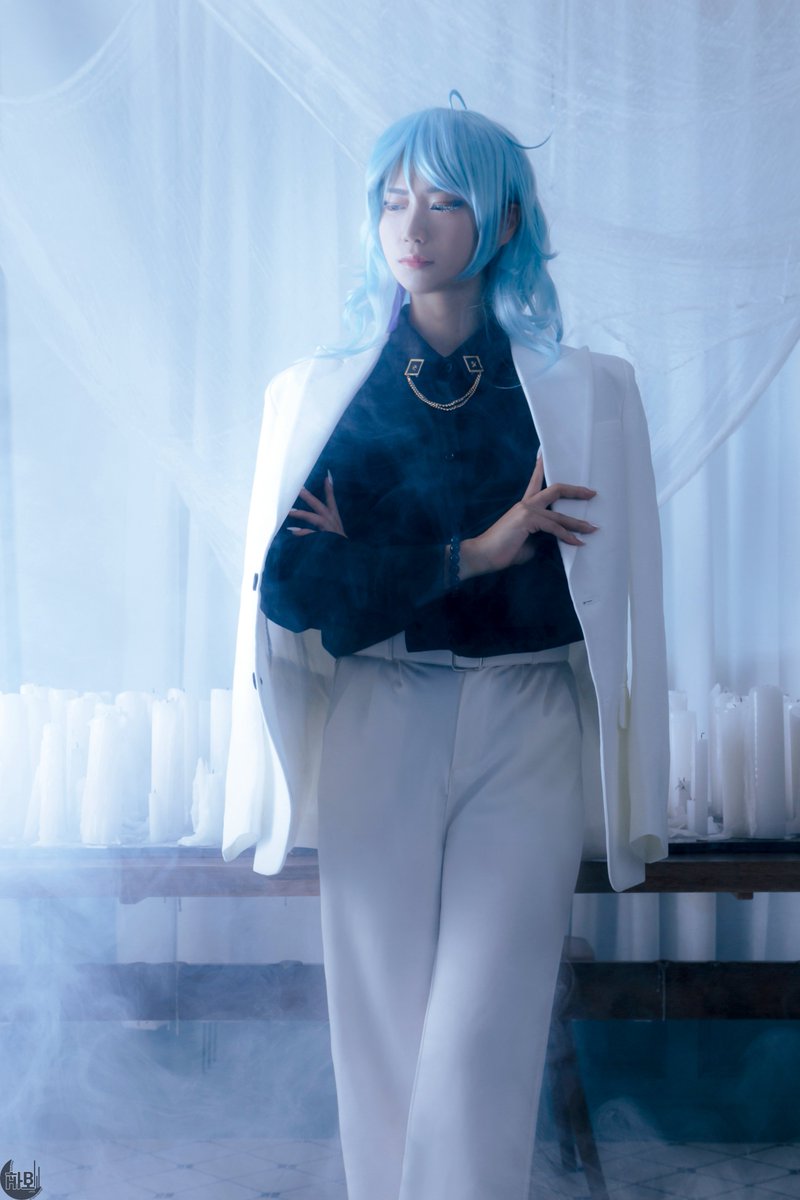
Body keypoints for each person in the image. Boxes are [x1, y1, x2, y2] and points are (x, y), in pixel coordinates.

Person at [223, 101, 669, 1200]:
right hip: (378, 712)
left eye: (441, 200)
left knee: (481, 1038)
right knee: (377, 1032)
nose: (409, 226)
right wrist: (478, 550)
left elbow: (599, 594)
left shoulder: (589, 392)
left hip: (529, 719)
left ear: (502, 219)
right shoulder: (321, 394)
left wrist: (379, 554)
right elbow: (303, 593)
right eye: (391, 201)